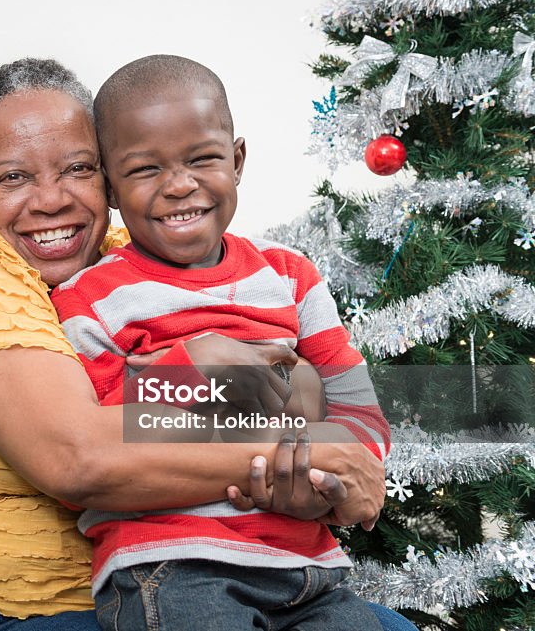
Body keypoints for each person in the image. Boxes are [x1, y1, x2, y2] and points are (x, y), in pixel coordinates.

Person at [0, 58, 410, 630]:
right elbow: (87, 456)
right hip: (33, 595)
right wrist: (283, 430)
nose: (50, 200)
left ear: (107, 183)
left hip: (290, 559)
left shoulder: (166, 256)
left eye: (76, 168)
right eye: (14, 177)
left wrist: (328, 477)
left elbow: (345, 400)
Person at [50, 54, 389, 630]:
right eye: (144, 169)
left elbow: (357, 410)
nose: (180, 185)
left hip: (310, 569)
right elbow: (100, 444)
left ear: (236, 160)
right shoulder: (90, 298)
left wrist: (326, 480)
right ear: (109, 187)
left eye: (202, 159)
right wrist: (198, 370)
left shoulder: (291, 278)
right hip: (173, 567)